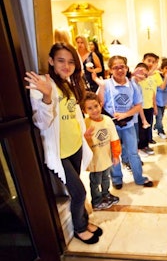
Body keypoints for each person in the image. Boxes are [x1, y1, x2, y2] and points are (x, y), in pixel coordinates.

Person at [25, 42, 102, 244]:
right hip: (59, 152)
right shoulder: (42, 83)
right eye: (60, 60)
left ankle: (84, 222)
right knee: (79, 192)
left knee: (78, 188)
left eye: (70, 61)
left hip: (75, 146)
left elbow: (73, 115)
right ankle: (79, 228)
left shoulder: (69, 83)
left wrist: (84, 135)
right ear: (51, 61)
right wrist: (47, 97)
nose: (66, 65)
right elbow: (41, 122)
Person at [95, 55, 154, 189]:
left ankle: (139, 178)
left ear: (127, 68)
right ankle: (116, 179)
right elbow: (99, 104)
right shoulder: (105, 84)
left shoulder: (133, 85)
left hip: (129, 124)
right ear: (110, 70)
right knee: (114, 152)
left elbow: (138, 105)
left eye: (122, 66)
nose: (119, 70)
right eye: (115, 67)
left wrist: (125, 115)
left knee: (133, 152)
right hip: (111, 125)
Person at [82, 91, 121, 211]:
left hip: (106, 157)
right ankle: (97, 200)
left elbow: (114, 138)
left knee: (106, 178)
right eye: (89, 108)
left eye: (96, 106)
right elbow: (82, 142)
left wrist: (116, 155)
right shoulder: (85, 123)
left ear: (101, 104)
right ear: (84, 111)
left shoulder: (108, 120)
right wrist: (85, 137)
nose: (94, 110)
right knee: (95, 181)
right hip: (95, 160)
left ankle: (106, 194)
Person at [138, 53, 162, 154]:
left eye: (153, 62)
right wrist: (153, 69)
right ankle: (141, 147)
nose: (151, 63)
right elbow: (144, 76)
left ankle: (146, 145)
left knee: (148, 127)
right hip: (139, 107)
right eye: (149, 61)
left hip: (149, 106)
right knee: (141, 128)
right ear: (143, 60)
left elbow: (153, 93)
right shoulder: (139, 73)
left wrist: (155, 106)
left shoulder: (153, 77)